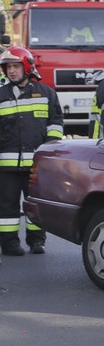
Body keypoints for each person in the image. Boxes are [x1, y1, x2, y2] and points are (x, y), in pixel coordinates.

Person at [0, 46, 63, 256]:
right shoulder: (1, 95)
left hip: (36, 165)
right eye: (8, 67)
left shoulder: (46, 94)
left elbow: (55, 123)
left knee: (34, 205)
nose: (12, 71)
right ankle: (9, 244)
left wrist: (49, 150)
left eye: (16, 66)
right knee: (7, 208)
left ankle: (36, 241)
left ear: (26, 67)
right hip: (6, 166)